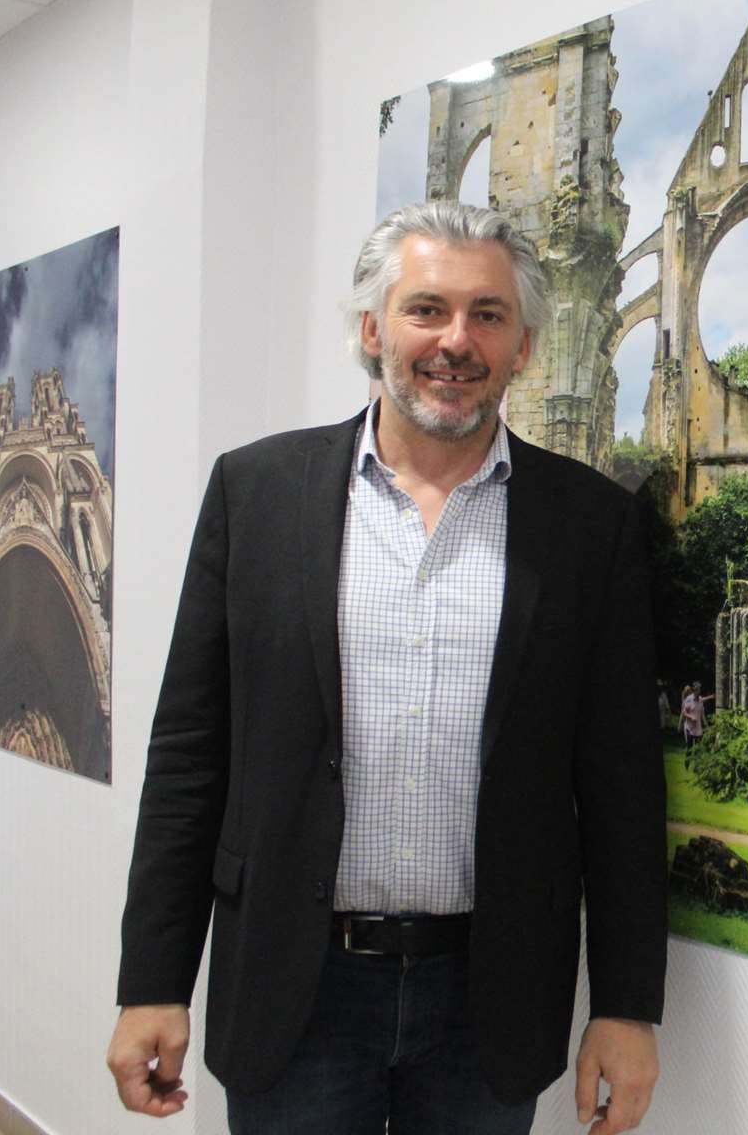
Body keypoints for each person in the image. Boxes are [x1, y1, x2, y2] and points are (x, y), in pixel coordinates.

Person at [106, 201, 667, 1135]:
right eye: (426, 310)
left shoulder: (589, 527)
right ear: (373, 331)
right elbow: (190, 760)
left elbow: (619, 788)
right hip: (295, 987)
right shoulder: (257, 495)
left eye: (487, 315)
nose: (456, 341)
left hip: (488, 1000)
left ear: (522, 345)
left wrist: (626, 1004)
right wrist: (152, 980)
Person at [680, 682, 712, 749]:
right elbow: (684, 712)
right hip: (689, 728)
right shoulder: (689, 699)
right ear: (694, 690)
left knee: (697, 750)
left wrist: (707, 726)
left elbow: (702, 715)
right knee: (690, 749)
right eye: (697, 689)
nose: (699, 691)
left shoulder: (700, 700)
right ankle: (688, 759)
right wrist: (691, 717)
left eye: (699, 689)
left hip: (698, 729)